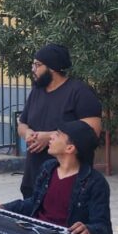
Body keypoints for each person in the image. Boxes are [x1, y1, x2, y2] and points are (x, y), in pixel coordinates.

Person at [17, 43, 102, 199]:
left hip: (69, 180)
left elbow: (92, 131)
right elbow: (22, 124)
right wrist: (27, 133)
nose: (33, 69)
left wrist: (48, 137)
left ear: (52, 68)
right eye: (33, 65)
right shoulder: (36, 91)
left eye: (37, 65)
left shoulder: (79, 92)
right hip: (34, 175)